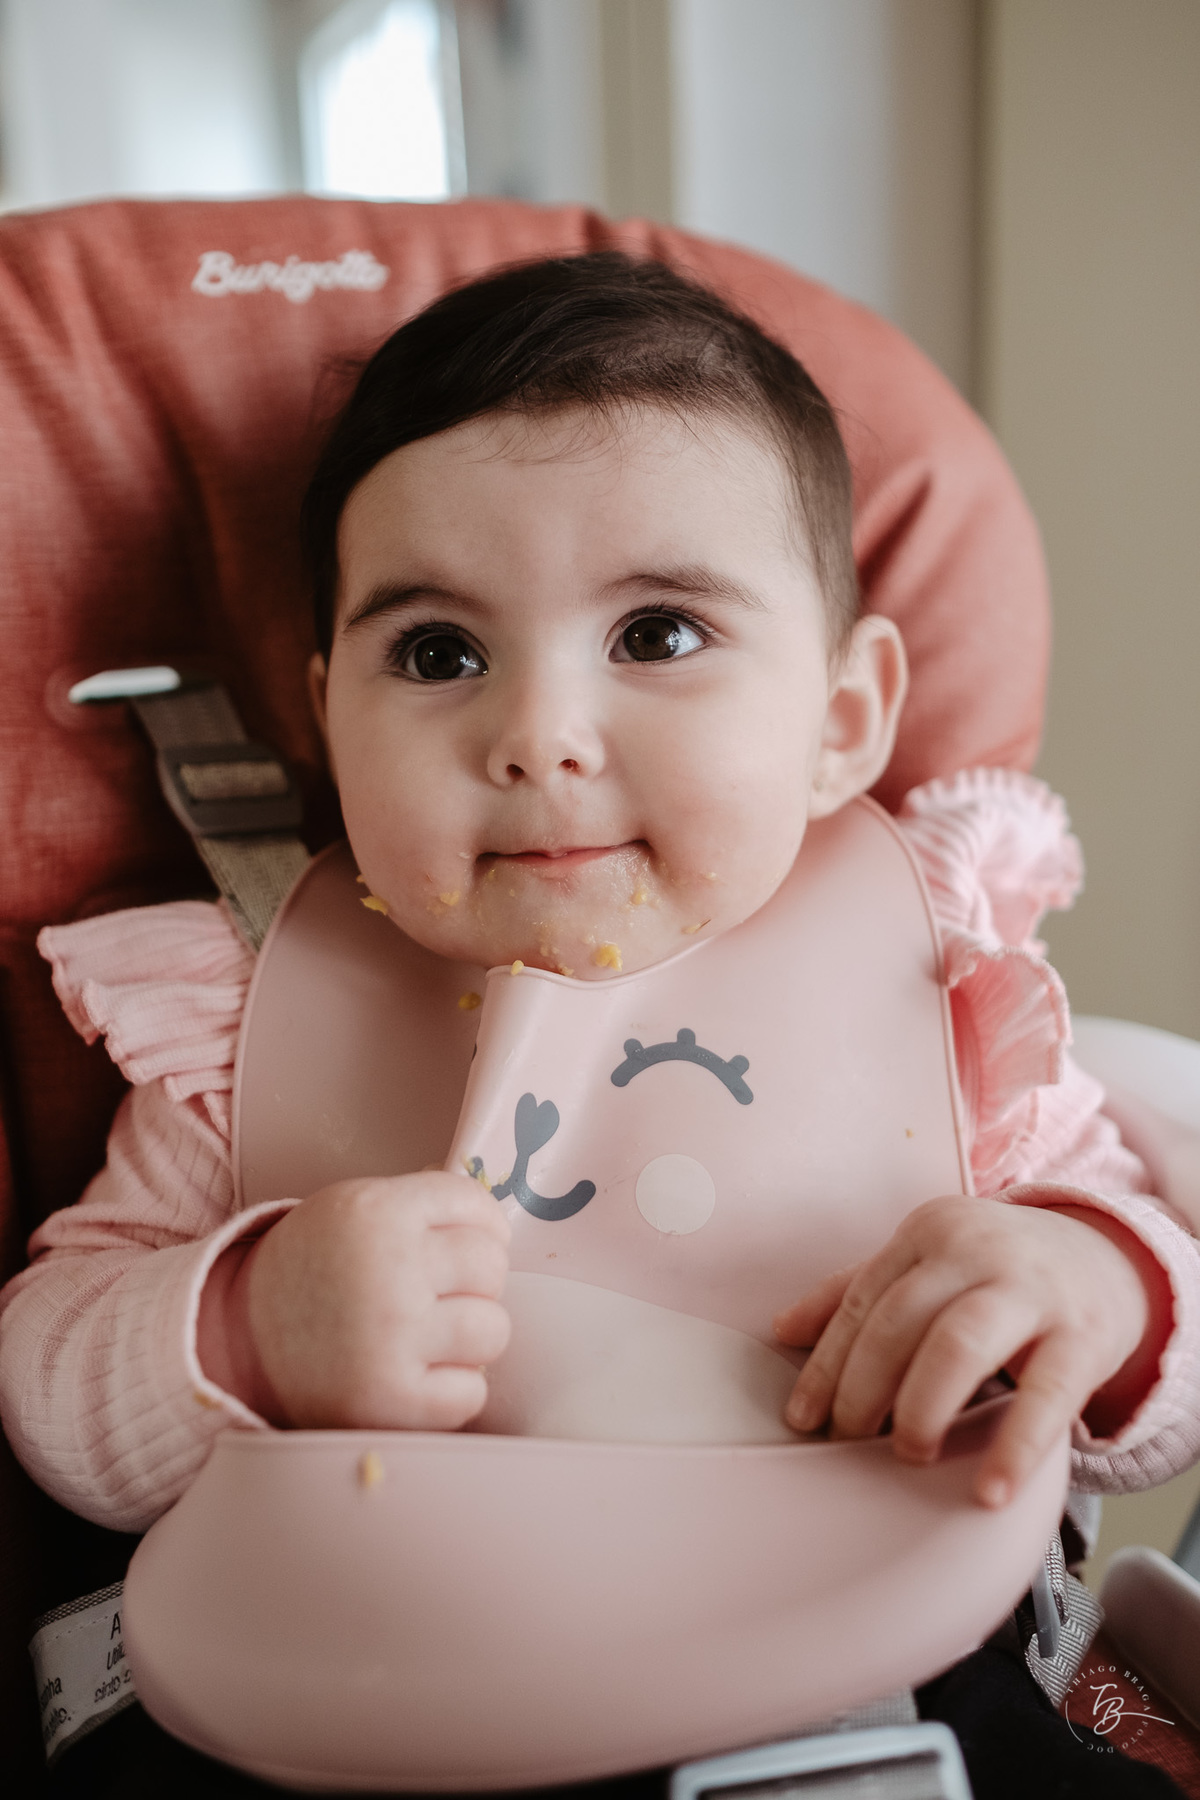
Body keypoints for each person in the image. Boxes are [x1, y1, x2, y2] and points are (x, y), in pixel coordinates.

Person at [2, 254, 1197, 1798]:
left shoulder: (937, 996)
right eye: (438, 654)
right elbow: (49, 1374)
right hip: (356, 1703)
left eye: (658, 634)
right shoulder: (249, 1017)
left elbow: (1156, 1371)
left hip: (868, 1693)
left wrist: (1097, 1290)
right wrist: (244, 1324)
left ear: (843, 719)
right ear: (326, 716)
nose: (539, 736)